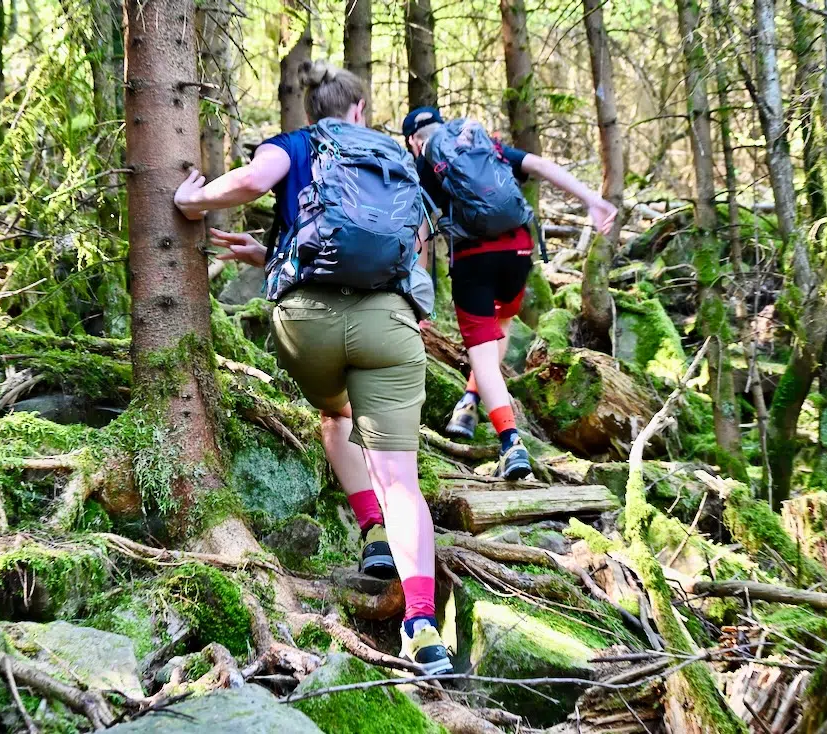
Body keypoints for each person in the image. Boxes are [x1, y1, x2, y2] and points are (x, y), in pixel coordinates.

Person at [175, 62, 452, 675]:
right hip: (390, 321)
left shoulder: (297, 144)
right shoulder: (392, 155)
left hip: (308, 324)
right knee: (401, 477)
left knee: (335, 419)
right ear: (358, 109)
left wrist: (192, 200)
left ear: (311, 112)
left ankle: (372, 531)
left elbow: (252, 181)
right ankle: (423, 627)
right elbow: (415, 243)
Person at [401, 106, 618, 479]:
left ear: (411, 142)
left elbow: (422, 235)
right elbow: (538, 164)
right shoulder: (481, 144)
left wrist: (419, 303)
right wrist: (592, 200)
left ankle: (511, 443)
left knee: (482, 356)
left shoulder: (423, 168)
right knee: (502, 321)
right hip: (518, 254)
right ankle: (469, 399)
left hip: (473, 262)